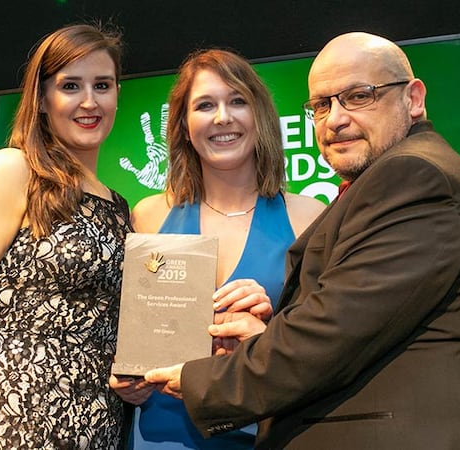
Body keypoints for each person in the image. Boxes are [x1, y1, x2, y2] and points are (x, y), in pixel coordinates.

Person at [144, 32, 460, 449]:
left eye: (359, 96)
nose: (335, 119)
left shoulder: (414, 176)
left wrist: (196, 380)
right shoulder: (384, 182)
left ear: (414, 98)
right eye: (321, 105)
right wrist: (262, 337)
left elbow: (331, 333)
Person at [0, 23, 132, 449]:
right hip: (16, 427)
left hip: (102, 432)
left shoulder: (121, 207)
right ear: (41, 99)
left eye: (102, 85)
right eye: (70, 86)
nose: (89, 101)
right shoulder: (14, 171)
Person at [110, 49, 326, 449]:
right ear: (184, 126)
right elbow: (128, 338)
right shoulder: (149, 216)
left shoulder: (309, 218)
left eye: (237, 101)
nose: (222, 117)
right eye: (205, 105)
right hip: (161, 438)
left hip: (266, 437)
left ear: (260, 117)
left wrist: (268, 332)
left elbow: (324, 350)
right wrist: (127, 382)